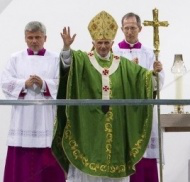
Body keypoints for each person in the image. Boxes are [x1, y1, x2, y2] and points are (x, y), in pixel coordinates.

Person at [52, 11, 161, 182]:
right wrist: (66, 48)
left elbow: (144, 80)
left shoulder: (123, 64)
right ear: (93, 42)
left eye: (106, 43)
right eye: (99, 43)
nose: (103, 46)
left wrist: (154, 73)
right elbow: (67, 65)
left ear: (112, 43)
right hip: (89, 127)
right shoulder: (83, 60)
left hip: (116, 126)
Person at [1, 21, 65, 182]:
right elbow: (4, 82)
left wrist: (44, 84)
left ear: (45, 38)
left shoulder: (56, 59)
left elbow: (64, 84)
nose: (34, 41)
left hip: (46, 118)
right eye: (30, 37)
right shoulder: (15, 58)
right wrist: (24, 84)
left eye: (38, 37)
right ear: (25, 38)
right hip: (22, 119)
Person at [113, 12, 164, 182]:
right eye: (126, 28)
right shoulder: (114, 52)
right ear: (121, 29)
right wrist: (130, 73)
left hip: (143, 111)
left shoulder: (150, 53)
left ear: (140, 28)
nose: (129, 31)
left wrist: (156, 73)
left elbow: (158, 84)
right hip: (122, 111)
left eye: (133, 28)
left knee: (145, 154)